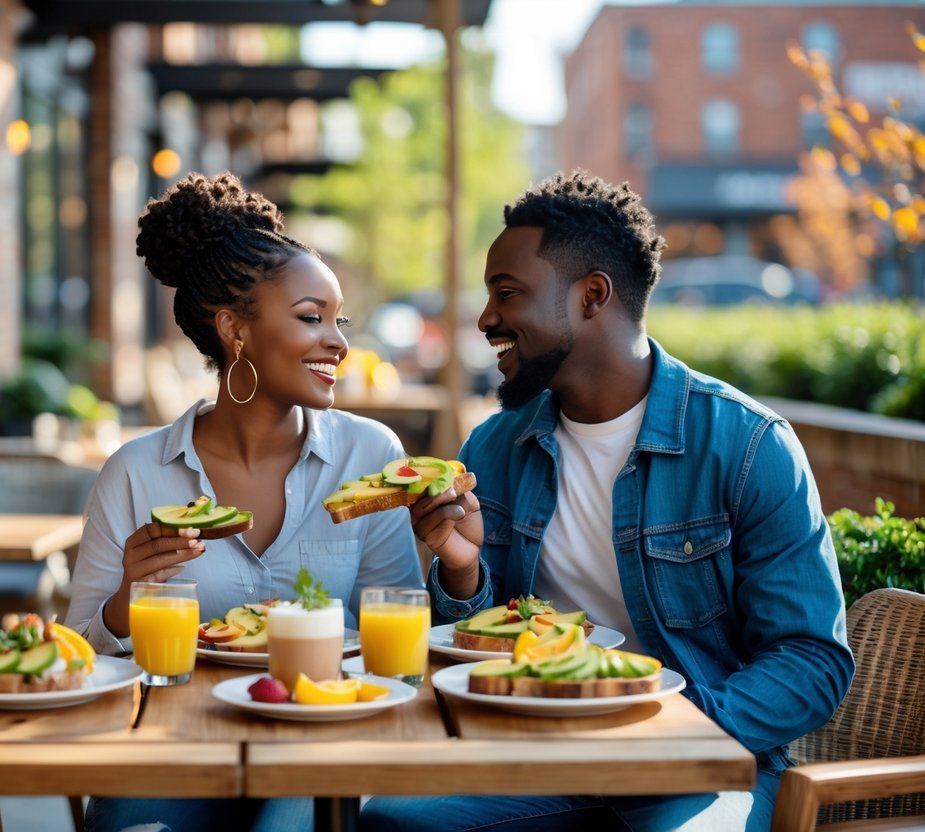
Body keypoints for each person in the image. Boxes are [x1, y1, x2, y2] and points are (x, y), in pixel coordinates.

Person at [361, 170, 854, 832]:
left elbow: (810, 662)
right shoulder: (493, 447)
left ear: (591, 295)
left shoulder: (746, 445)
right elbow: (470, 648)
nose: (484, 319)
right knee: (395, 820)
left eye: (506, 294)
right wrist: (460, 569)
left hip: (699, 757)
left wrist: (653, 726)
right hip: (534, 756)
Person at [66, 171, 423, 832]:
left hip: (323, 737)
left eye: (338, 319)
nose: (339, 342)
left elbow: (395, 641)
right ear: (233, 329)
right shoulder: (137, 472)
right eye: (311, 318)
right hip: (171, 747)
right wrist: (124, 600)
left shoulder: (369, 456)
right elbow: (82, 654)